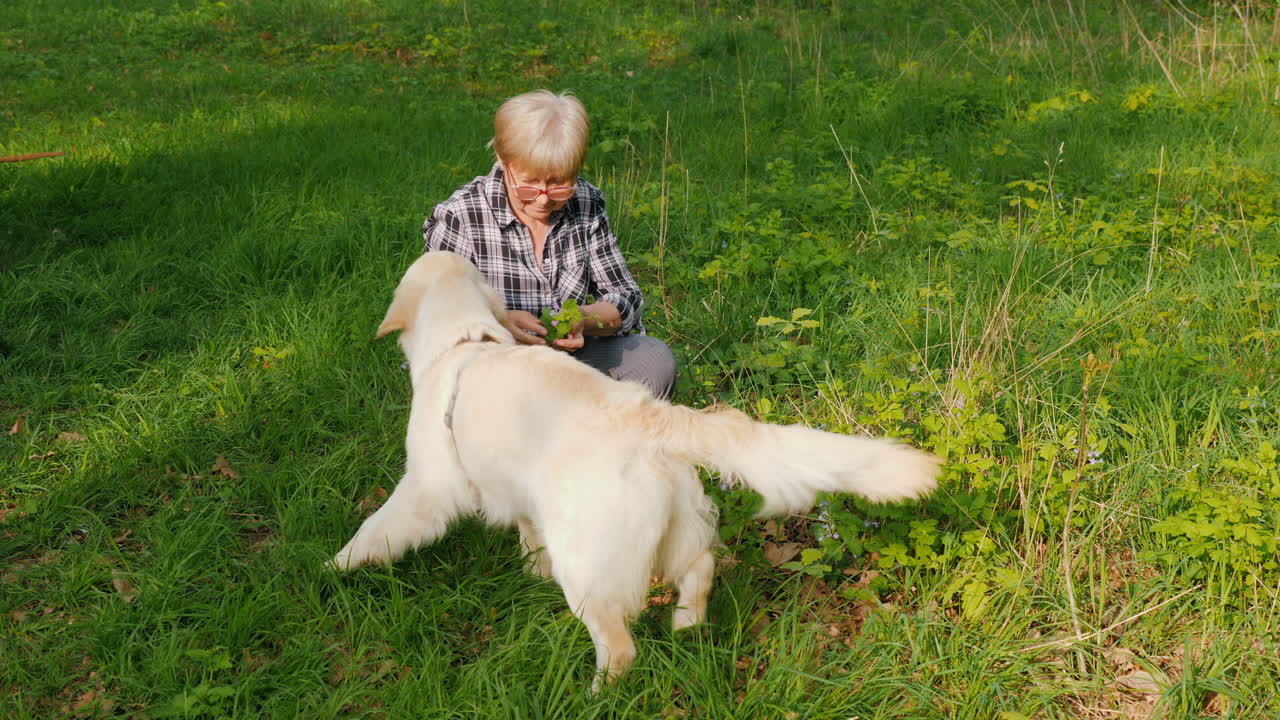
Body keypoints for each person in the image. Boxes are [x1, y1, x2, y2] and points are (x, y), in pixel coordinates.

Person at [421, 89, 677, 400]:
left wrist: (583, 320)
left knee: (653, 362)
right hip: (490, 367)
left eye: (559, 184)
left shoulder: (585, 203)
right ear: (503, 160)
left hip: (566, 363)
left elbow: (625, 297)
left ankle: (585, 437)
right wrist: (497, 321)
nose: (544, 198)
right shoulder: (461, 215)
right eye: (529, 183)